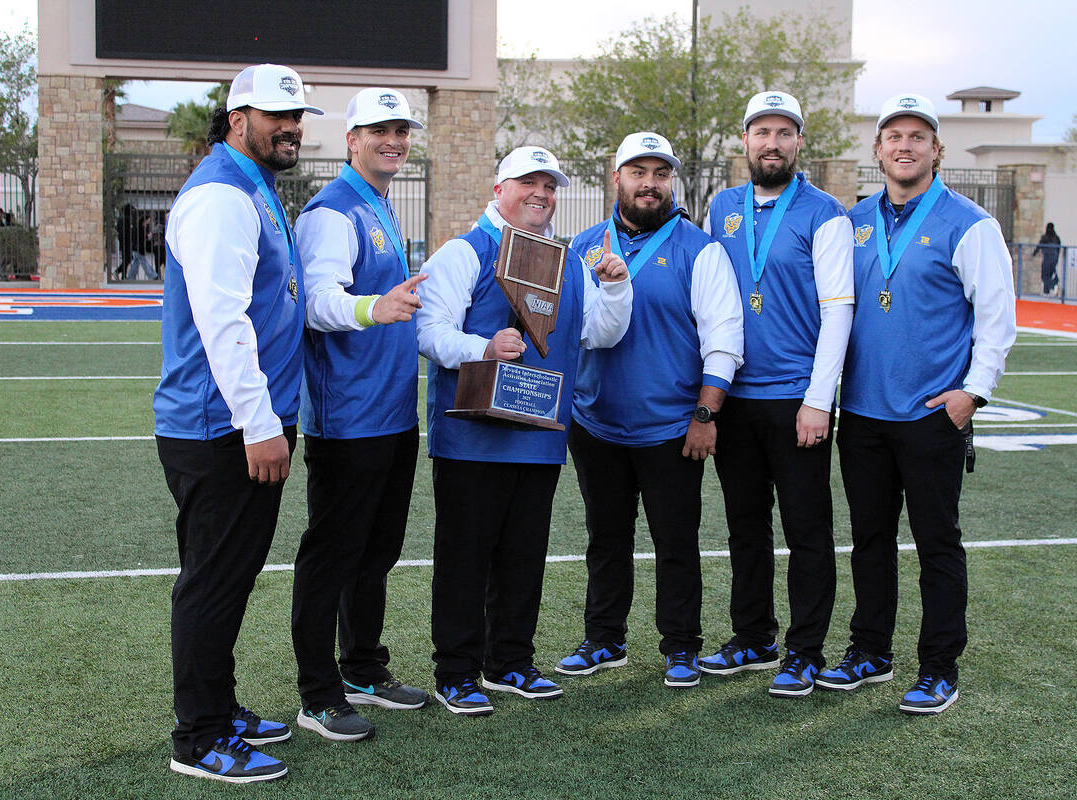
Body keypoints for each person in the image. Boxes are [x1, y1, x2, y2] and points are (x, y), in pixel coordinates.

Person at [416, 145, 632, 716]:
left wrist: (613, 285)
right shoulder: (464, 251)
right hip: (472, 437)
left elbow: (600, 335)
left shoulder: (568, 262)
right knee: (464, 558)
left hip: (539, 434)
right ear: (498, 190)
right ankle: (457, 672)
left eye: (551, 185)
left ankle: (510, 661)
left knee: (524, 555)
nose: (542, 194)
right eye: (528, 183)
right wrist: (481, 348)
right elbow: (430, 332)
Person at [819, 93, 1016, 715]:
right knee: (870, 541)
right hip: (865, 416)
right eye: (893, 136)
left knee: (937, 544)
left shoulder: (970, 222)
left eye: (917, 136)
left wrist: (972, 393)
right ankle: (870, 652)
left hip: (933, 414)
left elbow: (996, 318)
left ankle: (938, 668)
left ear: (937, 149)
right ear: (877, 150)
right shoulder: (851, 223)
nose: (905, 146)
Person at [153, 63, 322, 782]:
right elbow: (223, 321)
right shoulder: (222, 195)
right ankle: (199, 737)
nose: (289, 126)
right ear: (236, 119)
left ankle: (219, 707)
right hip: (220, 426)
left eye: (297, 115)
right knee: (214, 581)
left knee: (227, 574)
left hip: (237, 422)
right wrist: (258, 423)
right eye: (272, 114)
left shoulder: (251, 186)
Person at [557, 132, 744, 689]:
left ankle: (682, 645)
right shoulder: (584, 246)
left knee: (676, 541)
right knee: (605, 537)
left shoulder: (699, 247)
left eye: (660, 173)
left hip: (671, 428)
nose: (649, 183)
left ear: (672, 182)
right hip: (596, 424)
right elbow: (566, 332)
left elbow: (724, 336)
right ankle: (603, 639)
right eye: (638, 171)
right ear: (616, 178)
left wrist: (705, 415)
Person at [702, 91, 854, 697]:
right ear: (745, 140)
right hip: (735, 395)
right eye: (761, 132)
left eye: (783, 132)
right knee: (744, 525)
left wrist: (820, 398)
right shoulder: (721, 207)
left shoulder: (826, 212)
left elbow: (838, 310)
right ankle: (753, 637)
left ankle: (805, 650)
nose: (771, 143)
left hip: (797, 400)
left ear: (799, 142)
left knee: (806, 529)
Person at [290, 87, 430, 742]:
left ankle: (363, 670)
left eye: (400, 129)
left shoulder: (377, 202)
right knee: (333, 559)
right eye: (379, 130)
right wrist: (375, 308)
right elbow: (318, 302)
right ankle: (318, 695)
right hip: (349, 421)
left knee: (377, 554)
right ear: (351, 140)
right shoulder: (331, 211)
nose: (393, 140)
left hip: (393, 414)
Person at [1033, 222, 1060, 296]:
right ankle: (1046, 291)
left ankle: (1053, 286)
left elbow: (1039, 246)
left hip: (1047, 258)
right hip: (1054, 258)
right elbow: (1058, 249)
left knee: (1044, 276)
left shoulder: (1045, 237)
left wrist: (1034, 253)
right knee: (1050, 274)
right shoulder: (1056, 238)